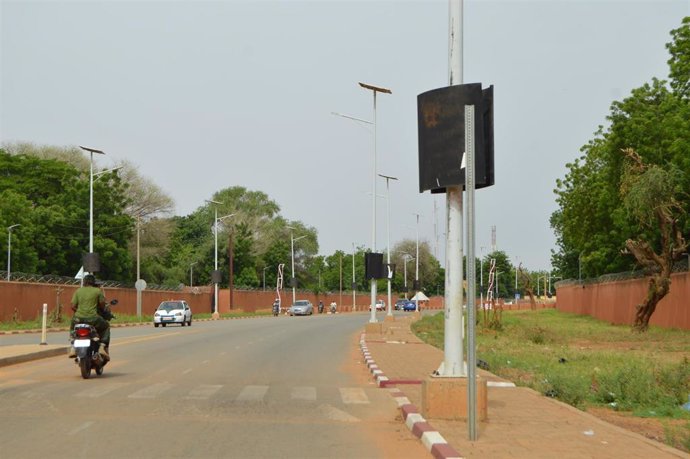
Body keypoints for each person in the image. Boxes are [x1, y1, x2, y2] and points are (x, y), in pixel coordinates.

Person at [69, 274, 110, 359]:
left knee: (73, 328)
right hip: (93, 319)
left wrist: (80, 312)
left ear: (84, 282)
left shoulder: (78, 291)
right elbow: (102, 304)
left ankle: (73, 347)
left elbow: (72, 306)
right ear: (93, 282)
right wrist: (103, 310)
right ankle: (102, 347)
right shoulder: (97, 291)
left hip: (78, 318)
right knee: (106, 327)